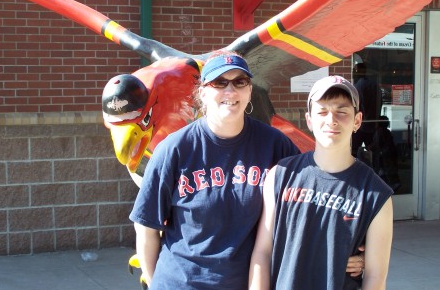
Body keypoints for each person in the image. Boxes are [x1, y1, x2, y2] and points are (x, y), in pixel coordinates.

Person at [129, 54, 365, 290]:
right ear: (202, 92)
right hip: (182, 282)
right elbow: (147, 227)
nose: (230, 91)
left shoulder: (274, 144)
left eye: (240, 82)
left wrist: (349, 249)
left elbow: (315, 196)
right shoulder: (175, 149)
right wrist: (154, 282)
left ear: (250, 91)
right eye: (219, 82)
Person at [249, 75, 393, 290]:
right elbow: (263, 252)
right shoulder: (280, 175)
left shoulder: (375, 194)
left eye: (342, 111)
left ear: (357, 120)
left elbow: (375, 277)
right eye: (322, 111)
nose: (331, 119)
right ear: (309, 120)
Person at [352, 60, 382, 159]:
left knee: (353, 151)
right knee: (373, 151)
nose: (353, 73)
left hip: (361, 125)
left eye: (355, 71)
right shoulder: (374, 85)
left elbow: (357, 106)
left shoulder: (358, 86)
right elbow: (379, 103)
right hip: (372, 124)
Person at [367, 115, 401, 192]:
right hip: (390, 153)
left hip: (384, 154)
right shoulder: (387, 131)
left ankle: (393, 184)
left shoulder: (379, 131)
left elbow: (376, 144)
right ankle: (393, 183)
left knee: (385, 169)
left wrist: (369, 147)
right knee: (388, 170)